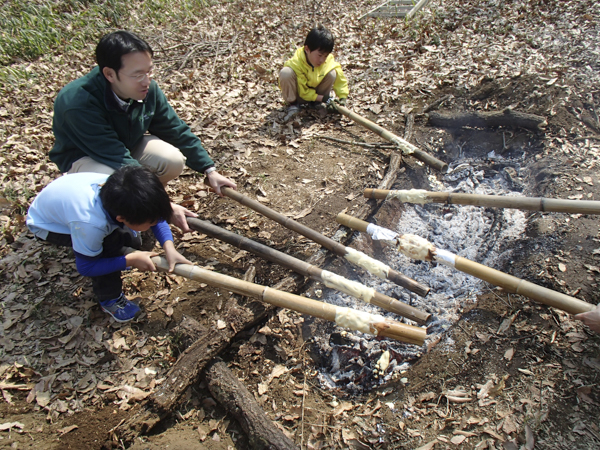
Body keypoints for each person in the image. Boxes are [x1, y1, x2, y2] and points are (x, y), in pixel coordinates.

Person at [49, 30, 236, 232]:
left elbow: (174, 129)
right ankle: (123, 220)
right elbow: (116, 156)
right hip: (86, 157)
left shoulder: (146, 90)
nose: (146, 81)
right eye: (137, 75)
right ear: (109, 74)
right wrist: (162, 206)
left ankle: (142, 205)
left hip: (127, 144)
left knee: (172, 160)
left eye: (149, 72)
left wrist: (209, 170)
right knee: (115, 181)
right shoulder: (78, 103)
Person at [26, 166, 192, 323]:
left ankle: (110, 249)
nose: (155, 222)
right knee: (109, 248)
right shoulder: (90, 224)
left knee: (127, 240)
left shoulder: (124, 190)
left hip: (65, 201)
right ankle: (110, 299)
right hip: (47, 224)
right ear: (121, 218)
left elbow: (156, 216)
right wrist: (129, 261)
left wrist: (169, 246)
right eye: (150, 222)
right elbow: (86, 267)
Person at [279, 25, 349, 121]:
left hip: (317, 94)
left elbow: (340, 78)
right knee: (285, 73)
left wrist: (342, 98)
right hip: (300, 95)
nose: (322, 60)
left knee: (332, 73)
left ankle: (316, 104)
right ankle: (293, 105)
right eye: (319, 55)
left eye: (325, 56)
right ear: (307, 49)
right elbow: (304, 92)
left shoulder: (327, 60)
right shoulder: (297, 63)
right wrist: (325, 98)